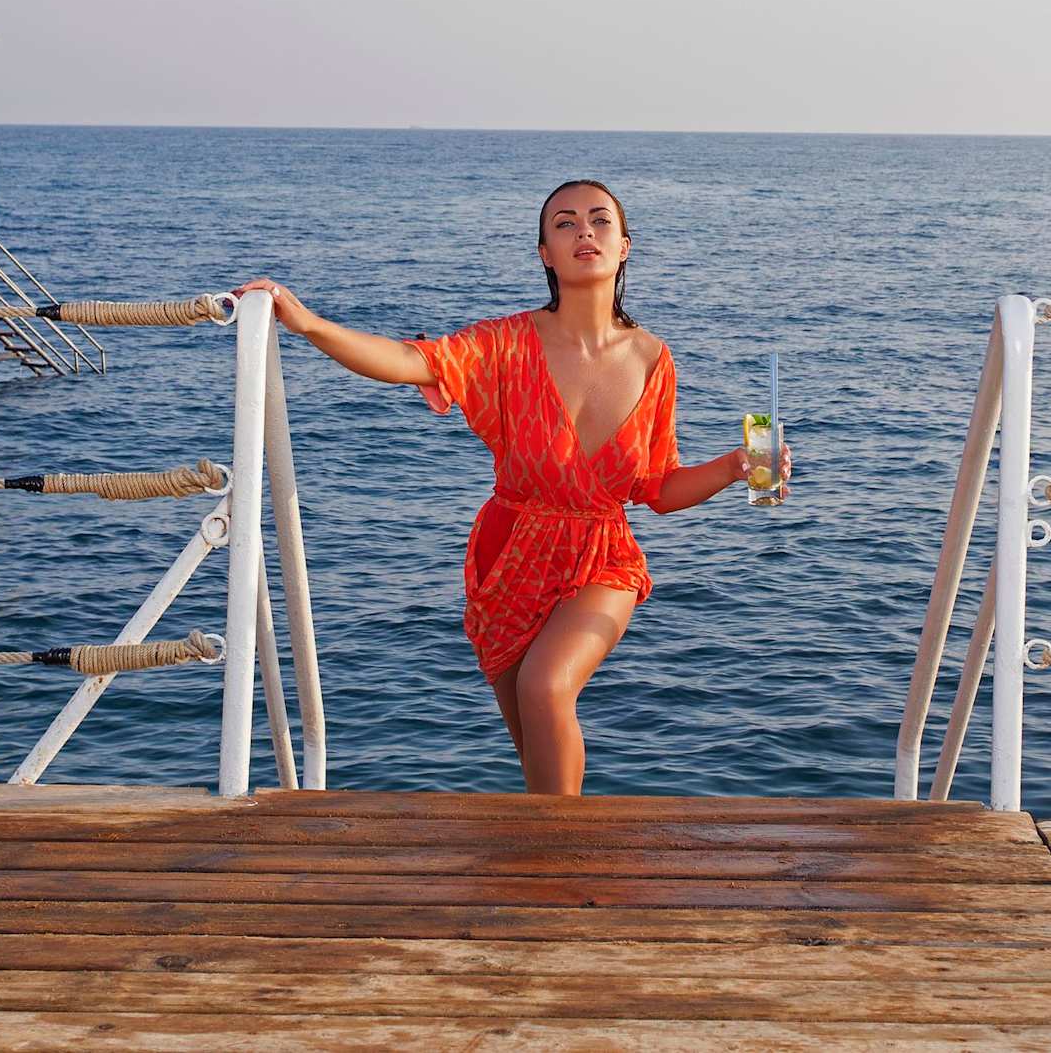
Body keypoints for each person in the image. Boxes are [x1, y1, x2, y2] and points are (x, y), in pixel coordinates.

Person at [238, 178, 790, 795]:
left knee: (545, 687)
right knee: (533, 739)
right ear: (545, 254)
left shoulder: (652, 359)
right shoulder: (503, 344)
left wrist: (733, 467)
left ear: (624, 245)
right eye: (565, 223)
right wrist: (307, 323)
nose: (584, 231)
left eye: (600, 220)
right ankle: (547, 846)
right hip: (510, 556)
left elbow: (658, 488)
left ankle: (564, 849)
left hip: (602, 555)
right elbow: (408, 362)